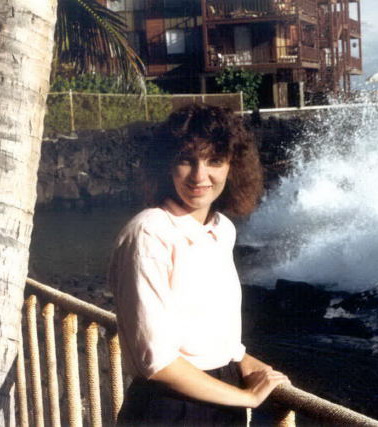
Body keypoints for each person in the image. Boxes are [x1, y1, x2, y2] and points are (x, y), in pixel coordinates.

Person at [109, 104, 290, 426]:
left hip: (221, 398)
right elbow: (158, 362)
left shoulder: (221, 229)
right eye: (185, 160)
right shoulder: (150, 232)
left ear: (232, 167)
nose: (199, 176)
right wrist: (248, 398)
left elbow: (206, 327)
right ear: (166, 166)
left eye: (215, 161)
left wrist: (243, 360)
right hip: (170, 407)